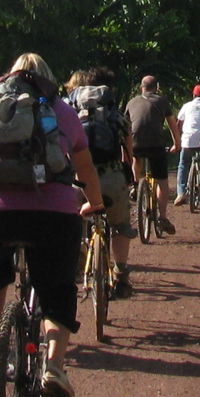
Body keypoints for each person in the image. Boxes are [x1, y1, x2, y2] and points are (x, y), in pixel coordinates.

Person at [0, 53, 105, 397]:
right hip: (51, 214)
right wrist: (96, 204)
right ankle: (54, 366)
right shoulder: (62, 111)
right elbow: (84, 167)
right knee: (56, 284)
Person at [68, 67, 138, 295]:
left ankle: (78, 256)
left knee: (72, 220)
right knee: (121, 226)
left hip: (77, 178)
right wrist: (129, 175)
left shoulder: (70, 116)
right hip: (111, 175)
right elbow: (129, 151)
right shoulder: (116, 116)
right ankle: (121, 274)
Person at [123, 73, 177, 238]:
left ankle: (135, 184)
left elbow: (125, 127)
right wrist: (177, 143)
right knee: (162, 181)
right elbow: (172, 124)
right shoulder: (162, 101)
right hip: (156, 145)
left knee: (136, 158)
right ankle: (162, 216)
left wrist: (126, 150)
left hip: (136, 145)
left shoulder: (131, 102)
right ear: (157, 88)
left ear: (141, 88)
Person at [172, 83, 200, 206]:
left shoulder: (186, 106)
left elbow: (179, 124)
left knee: (183, 165)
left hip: (187, 140)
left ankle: (181, 193)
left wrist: (178, 139)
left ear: (193, 95)